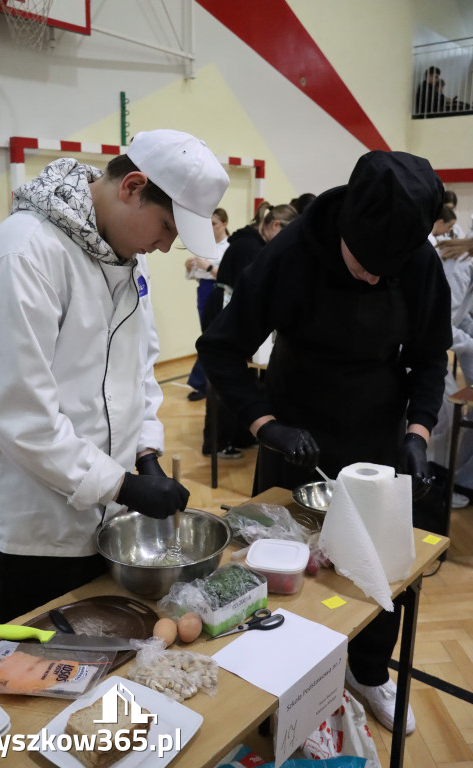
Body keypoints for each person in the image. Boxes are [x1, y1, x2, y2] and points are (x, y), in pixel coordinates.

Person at [197, 150, 452, 733]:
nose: (372, 278)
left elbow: (429, 358)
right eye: (365, 266)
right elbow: (220, 350)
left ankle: (367, 671)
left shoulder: (414, 261)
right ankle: (279, 681)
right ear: (345, 232)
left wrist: (417, 431)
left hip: (378, 426)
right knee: (283, 566)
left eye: (384, 274)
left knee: (381, 565)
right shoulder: (288, 254)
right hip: (296, 428)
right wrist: (266, 425)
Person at [0, 128, 229, 623]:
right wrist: (124, 487)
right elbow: (23, 417)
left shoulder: (124, 261)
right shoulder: (22, 255)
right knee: (44, 676)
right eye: (167, 227)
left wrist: (145, 451)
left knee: (106, 659)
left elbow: (139, 371)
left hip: (108, 513)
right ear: (132, 186)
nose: (164, 244)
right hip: (40, 524)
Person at [201, 203, 298, 459]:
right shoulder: (250, 246)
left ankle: (242, 435)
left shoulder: (252, 242)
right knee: (225, 378)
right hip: (224, 309)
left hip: (228, 306)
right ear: (275, 226)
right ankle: (218, 441)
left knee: (247, 377)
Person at [428, 237, 473, 506]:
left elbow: (461, 315)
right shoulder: (461, 266)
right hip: (419, 345)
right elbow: (442, 326)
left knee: (451, 416)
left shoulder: (466, 263)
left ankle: (451, 483)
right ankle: (439, 489)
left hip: (432, 342)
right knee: (445, 417)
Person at [185, 208, 230, 401]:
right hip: (204, 290)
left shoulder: (230, 247)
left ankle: (201, 382)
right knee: (208, 336)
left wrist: (209, 267)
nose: (210, 228)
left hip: (221, 291)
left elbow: (228, 275)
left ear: (224, 224)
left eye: (214, 224)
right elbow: (197, 275)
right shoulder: (205, 245)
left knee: (211, 338)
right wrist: (190, 268)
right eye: (208, 224)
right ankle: (205, 382)